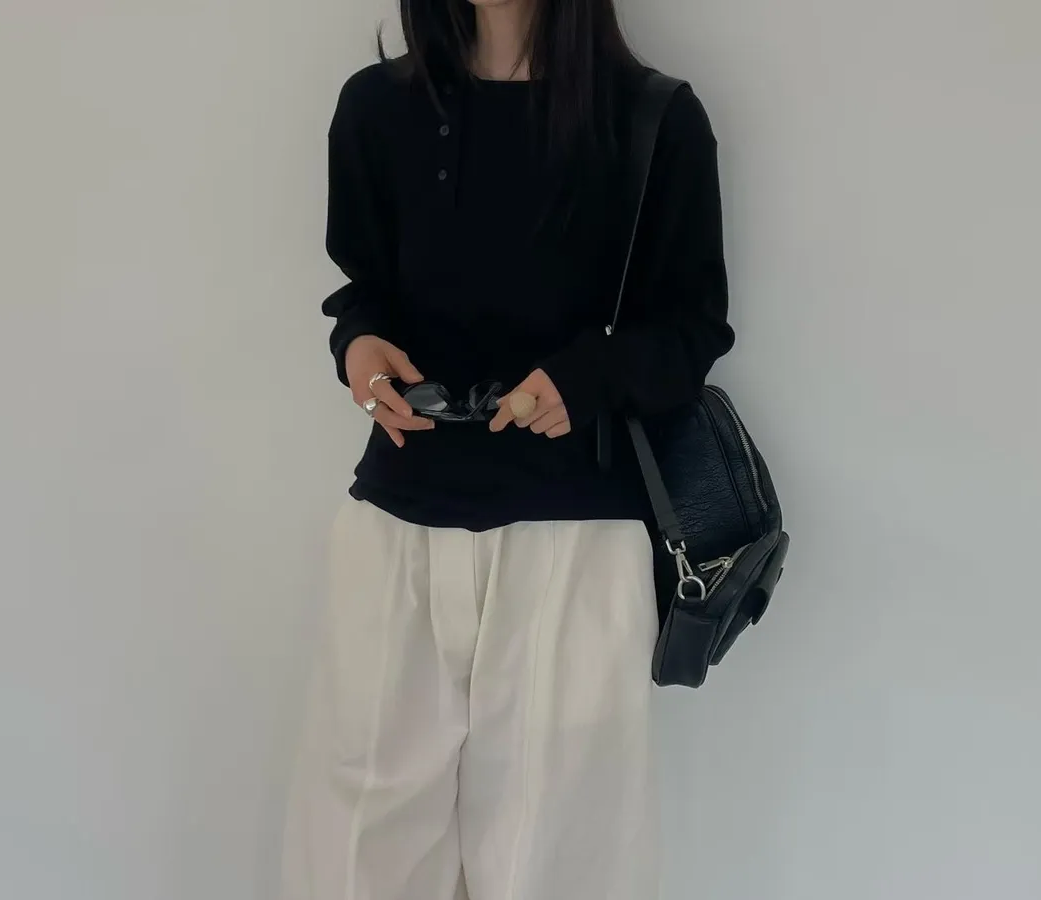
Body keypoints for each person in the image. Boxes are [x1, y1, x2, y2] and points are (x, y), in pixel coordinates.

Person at [282, 0, 733, 897]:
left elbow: (693, 330)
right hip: (398, 532)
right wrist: (358, 350)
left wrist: (587, 377)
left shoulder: (654, 117)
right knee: (357, 859)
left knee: (557, 864)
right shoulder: (377, 108)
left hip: (575, 539)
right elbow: (363, 289)